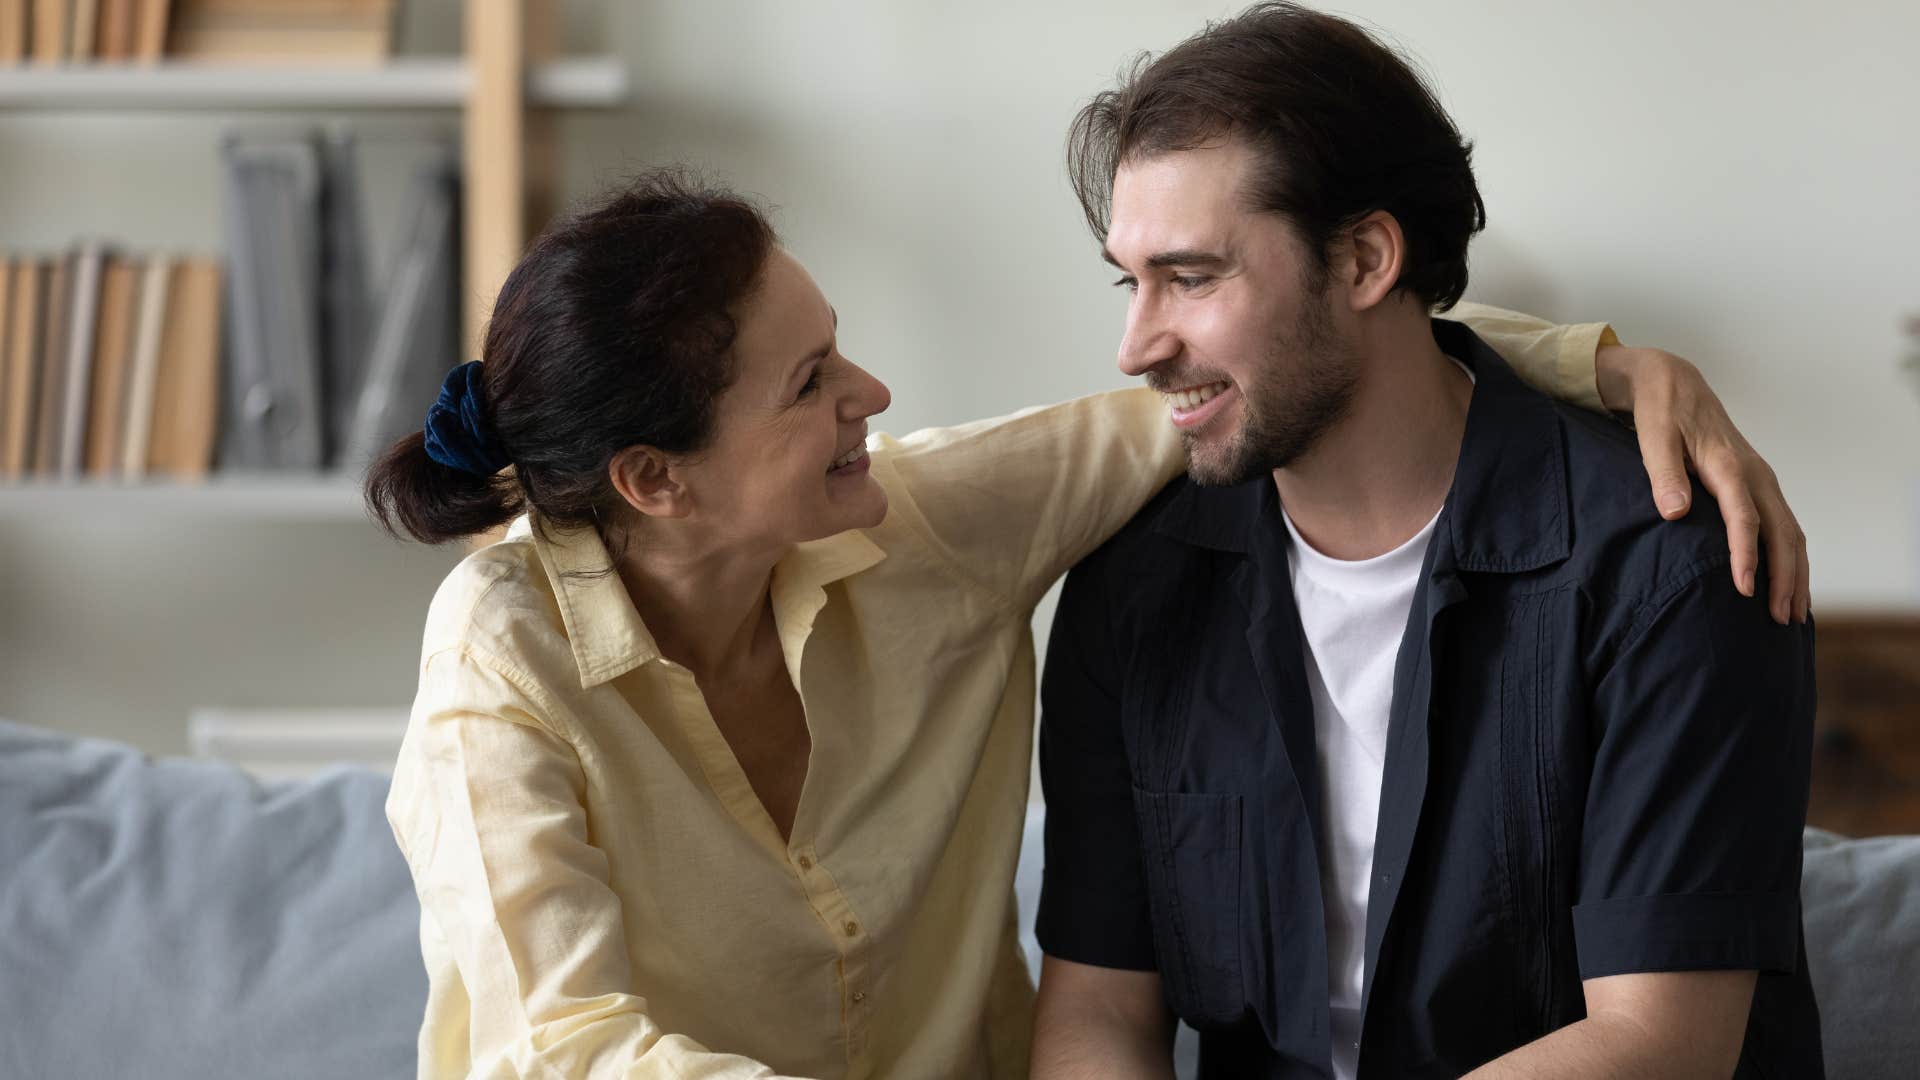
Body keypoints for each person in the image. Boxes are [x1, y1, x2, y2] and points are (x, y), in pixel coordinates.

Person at [366, 170, 1803, 1077]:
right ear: (654, 482)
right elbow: (572, 1046)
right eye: (808, 382)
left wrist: (1609, 369)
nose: (870, 392)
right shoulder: (503, 660)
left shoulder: (922, 526)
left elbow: (1258, 382)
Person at [1030, 5, 1820, 1078]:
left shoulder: (1670, 566)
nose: (1136, 346)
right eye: (1134, 282)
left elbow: (1658, 1044)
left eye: (1195, 277)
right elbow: (1097, 1021)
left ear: (1363, 258)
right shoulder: (1136, 585)